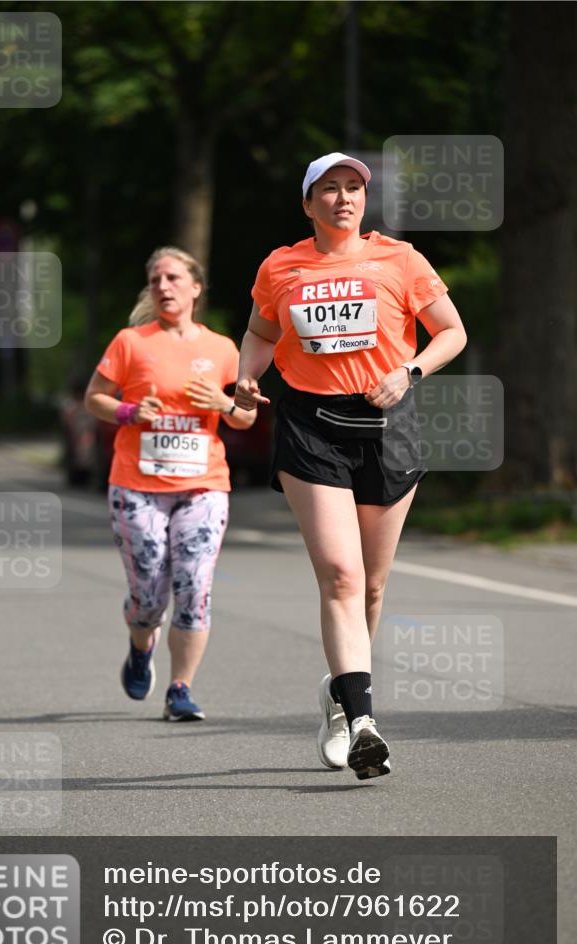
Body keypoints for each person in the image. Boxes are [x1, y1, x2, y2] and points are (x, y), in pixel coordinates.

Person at [234, 152, 467, 778]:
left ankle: (339, 696)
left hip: (389, 427)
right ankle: (363, 720)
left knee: (370, 584)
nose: (343, 198)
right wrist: (243, 380)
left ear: (365, 202)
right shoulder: (281, 267)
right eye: (329, 189)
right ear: (308, 204)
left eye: (354, 189)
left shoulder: (401, 260)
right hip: (312, 426)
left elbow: (452, 332)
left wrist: (409, 370)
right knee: (340, 573)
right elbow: (259, 336)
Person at [85, 246, 256, 721]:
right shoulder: (130, 342)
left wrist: (222, 406)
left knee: (194, 584)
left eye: (174, 278)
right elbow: (94, 398)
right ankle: (141, 646)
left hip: (203, 486)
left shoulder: (222, 349)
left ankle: (181, 689)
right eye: (156, 279)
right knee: (148, 595)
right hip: (137, 487)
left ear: (195, 287)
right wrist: (127, 411)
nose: (163, 286)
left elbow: (246, 416)